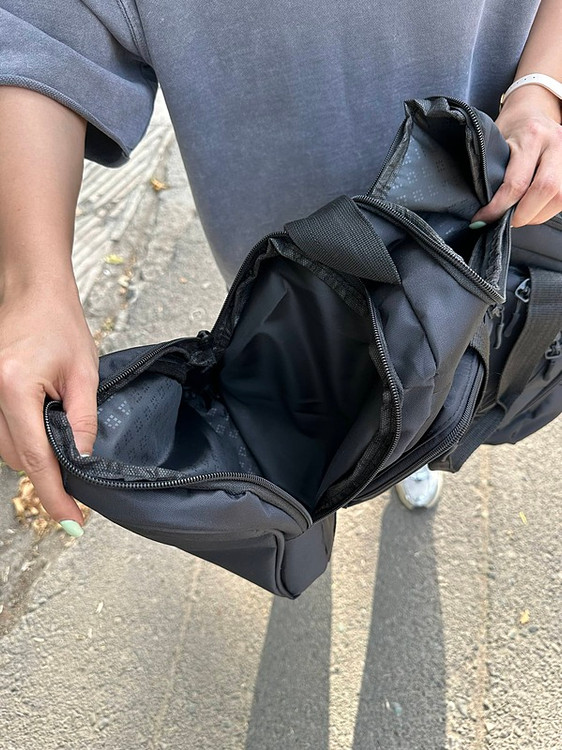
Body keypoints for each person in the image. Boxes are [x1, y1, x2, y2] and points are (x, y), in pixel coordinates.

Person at [0, 1, 560, 535]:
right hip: (282, 253)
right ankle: (364, 448)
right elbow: (44, 27)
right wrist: (34, 283)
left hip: (477, 198)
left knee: (434, 370)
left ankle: (400, 446)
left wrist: (541, 87)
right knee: (305, 371)